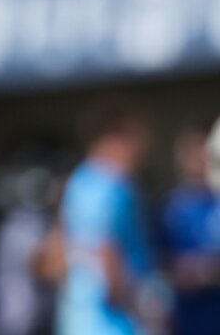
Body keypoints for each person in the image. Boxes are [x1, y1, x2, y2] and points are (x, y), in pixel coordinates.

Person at [57, 101, 157, 335]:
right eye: (136, 138)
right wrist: (137, 306)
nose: (142, 149)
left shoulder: (80, 182)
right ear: (113, 137)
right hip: (112, 324)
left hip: (83, 320)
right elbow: (105, 249)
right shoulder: (109, 186)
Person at [160, 122, 220, 335]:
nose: (198, 160)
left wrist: (207, 271)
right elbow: (158, 265)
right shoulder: (170, 207)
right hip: (188, 321)